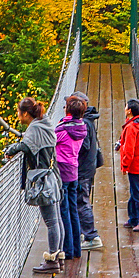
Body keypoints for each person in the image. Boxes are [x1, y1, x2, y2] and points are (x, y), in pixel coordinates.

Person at [3, 97, 65, 274]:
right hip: (53, 176)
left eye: (18, 112)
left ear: (24, 113)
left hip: (44, 180)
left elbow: (25, 146)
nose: (17, 116)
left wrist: (10, 149)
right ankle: (58, 256)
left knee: (52, 221)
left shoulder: (35, 128)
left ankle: (53, 259)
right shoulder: (44, 123)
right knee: (57, 219)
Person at [53, 94, 91, 259]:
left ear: (68, 110)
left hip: (62, 173)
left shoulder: (63, 129)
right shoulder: (81, 127)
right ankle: (76, 249)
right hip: (74, 172)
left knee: (64, 211)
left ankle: (67, 250)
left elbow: (49, 142)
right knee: (73, 210)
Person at [72, 92, 104, 251]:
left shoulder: (83, 122)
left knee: (81, 201)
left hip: (82, 170)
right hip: (88, 168)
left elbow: (82, 147)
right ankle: (83, 233)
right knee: (82, 200)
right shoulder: (89, 120)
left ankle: (92, 237)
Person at [118, 99, 139, 231]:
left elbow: (129, 150)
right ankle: (133, 219)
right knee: (134, 191)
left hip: (135, 165)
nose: (125, 108)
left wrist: (125, 165)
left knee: (137, 193)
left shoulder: (132, 127)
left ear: (129, 111)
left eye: (126, 106)